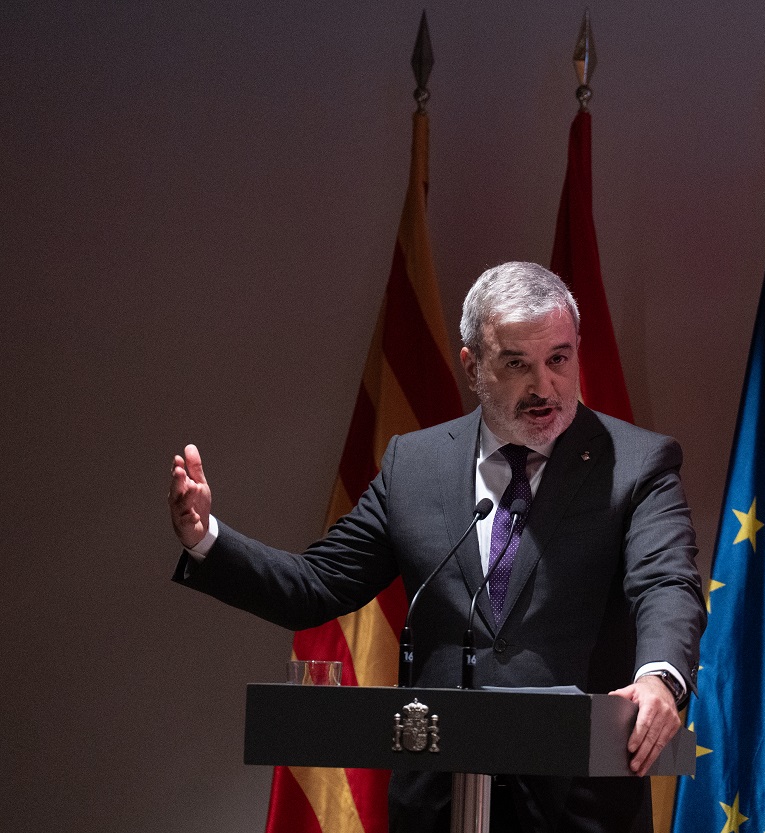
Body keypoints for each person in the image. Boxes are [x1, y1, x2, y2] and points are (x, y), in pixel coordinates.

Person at [168, 261, 706, 833]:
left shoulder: (637, 464)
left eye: (558, 359)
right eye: (517, 364)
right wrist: (206, 539)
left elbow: (665, 581)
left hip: (579, 806)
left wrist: (659, 677)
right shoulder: (415, 466)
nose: (544, 387)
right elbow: (316, 585)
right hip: (438, 804)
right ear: (472, 366)